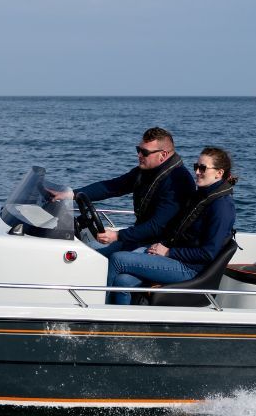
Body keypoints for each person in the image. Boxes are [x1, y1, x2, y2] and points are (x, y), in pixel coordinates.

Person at [106, 146, 237, 304]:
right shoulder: (202, 195)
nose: (197, 172)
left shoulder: (221, 207)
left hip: (190, 269)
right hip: (176, 257)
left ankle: (99, 312)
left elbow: (208, 253)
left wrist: (168, 252)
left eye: (203, 168)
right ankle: (122, 318)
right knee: (123, 281)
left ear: (219, 173)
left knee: (117, 259)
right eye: (196, 166)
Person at [56, 127, 194, 256]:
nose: (139, 155)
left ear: (163, 155)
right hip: (142, 238)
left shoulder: (178, 181)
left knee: (118, 264)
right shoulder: (145, 171)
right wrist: (72, 194)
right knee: (89, 250)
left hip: (161, 245)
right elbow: (113, 186)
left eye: (144, 152)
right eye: (138, 150)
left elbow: (156, 226)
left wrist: (118, 235)